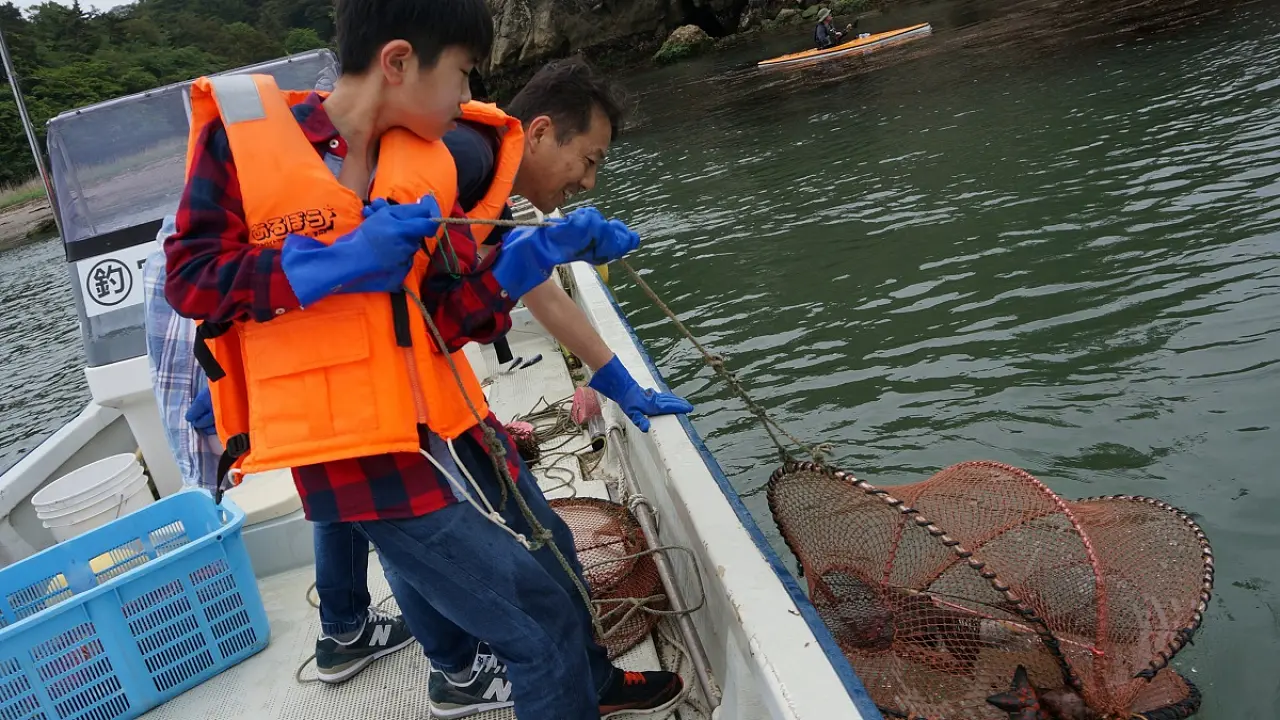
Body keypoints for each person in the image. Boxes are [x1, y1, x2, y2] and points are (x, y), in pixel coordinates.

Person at [163, 0, 685, 718]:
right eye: (464, 77)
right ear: (400, 61)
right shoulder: (245, 139)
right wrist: (334, 263)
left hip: (439, 413)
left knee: (554, 557)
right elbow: (191, 280)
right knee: (536, 622)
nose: (468, 100)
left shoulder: (419, 165)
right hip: (357, 451)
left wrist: (526, 258)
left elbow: (443, 315)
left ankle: (585, 688)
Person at [446, 57, 694, 433]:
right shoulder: (466, 157)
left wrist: (621, 383)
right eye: (589, 161)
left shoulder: (489, 192)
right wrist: (545, 245)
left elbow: (540, 291)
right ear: (540, 132)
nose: (590, 182)